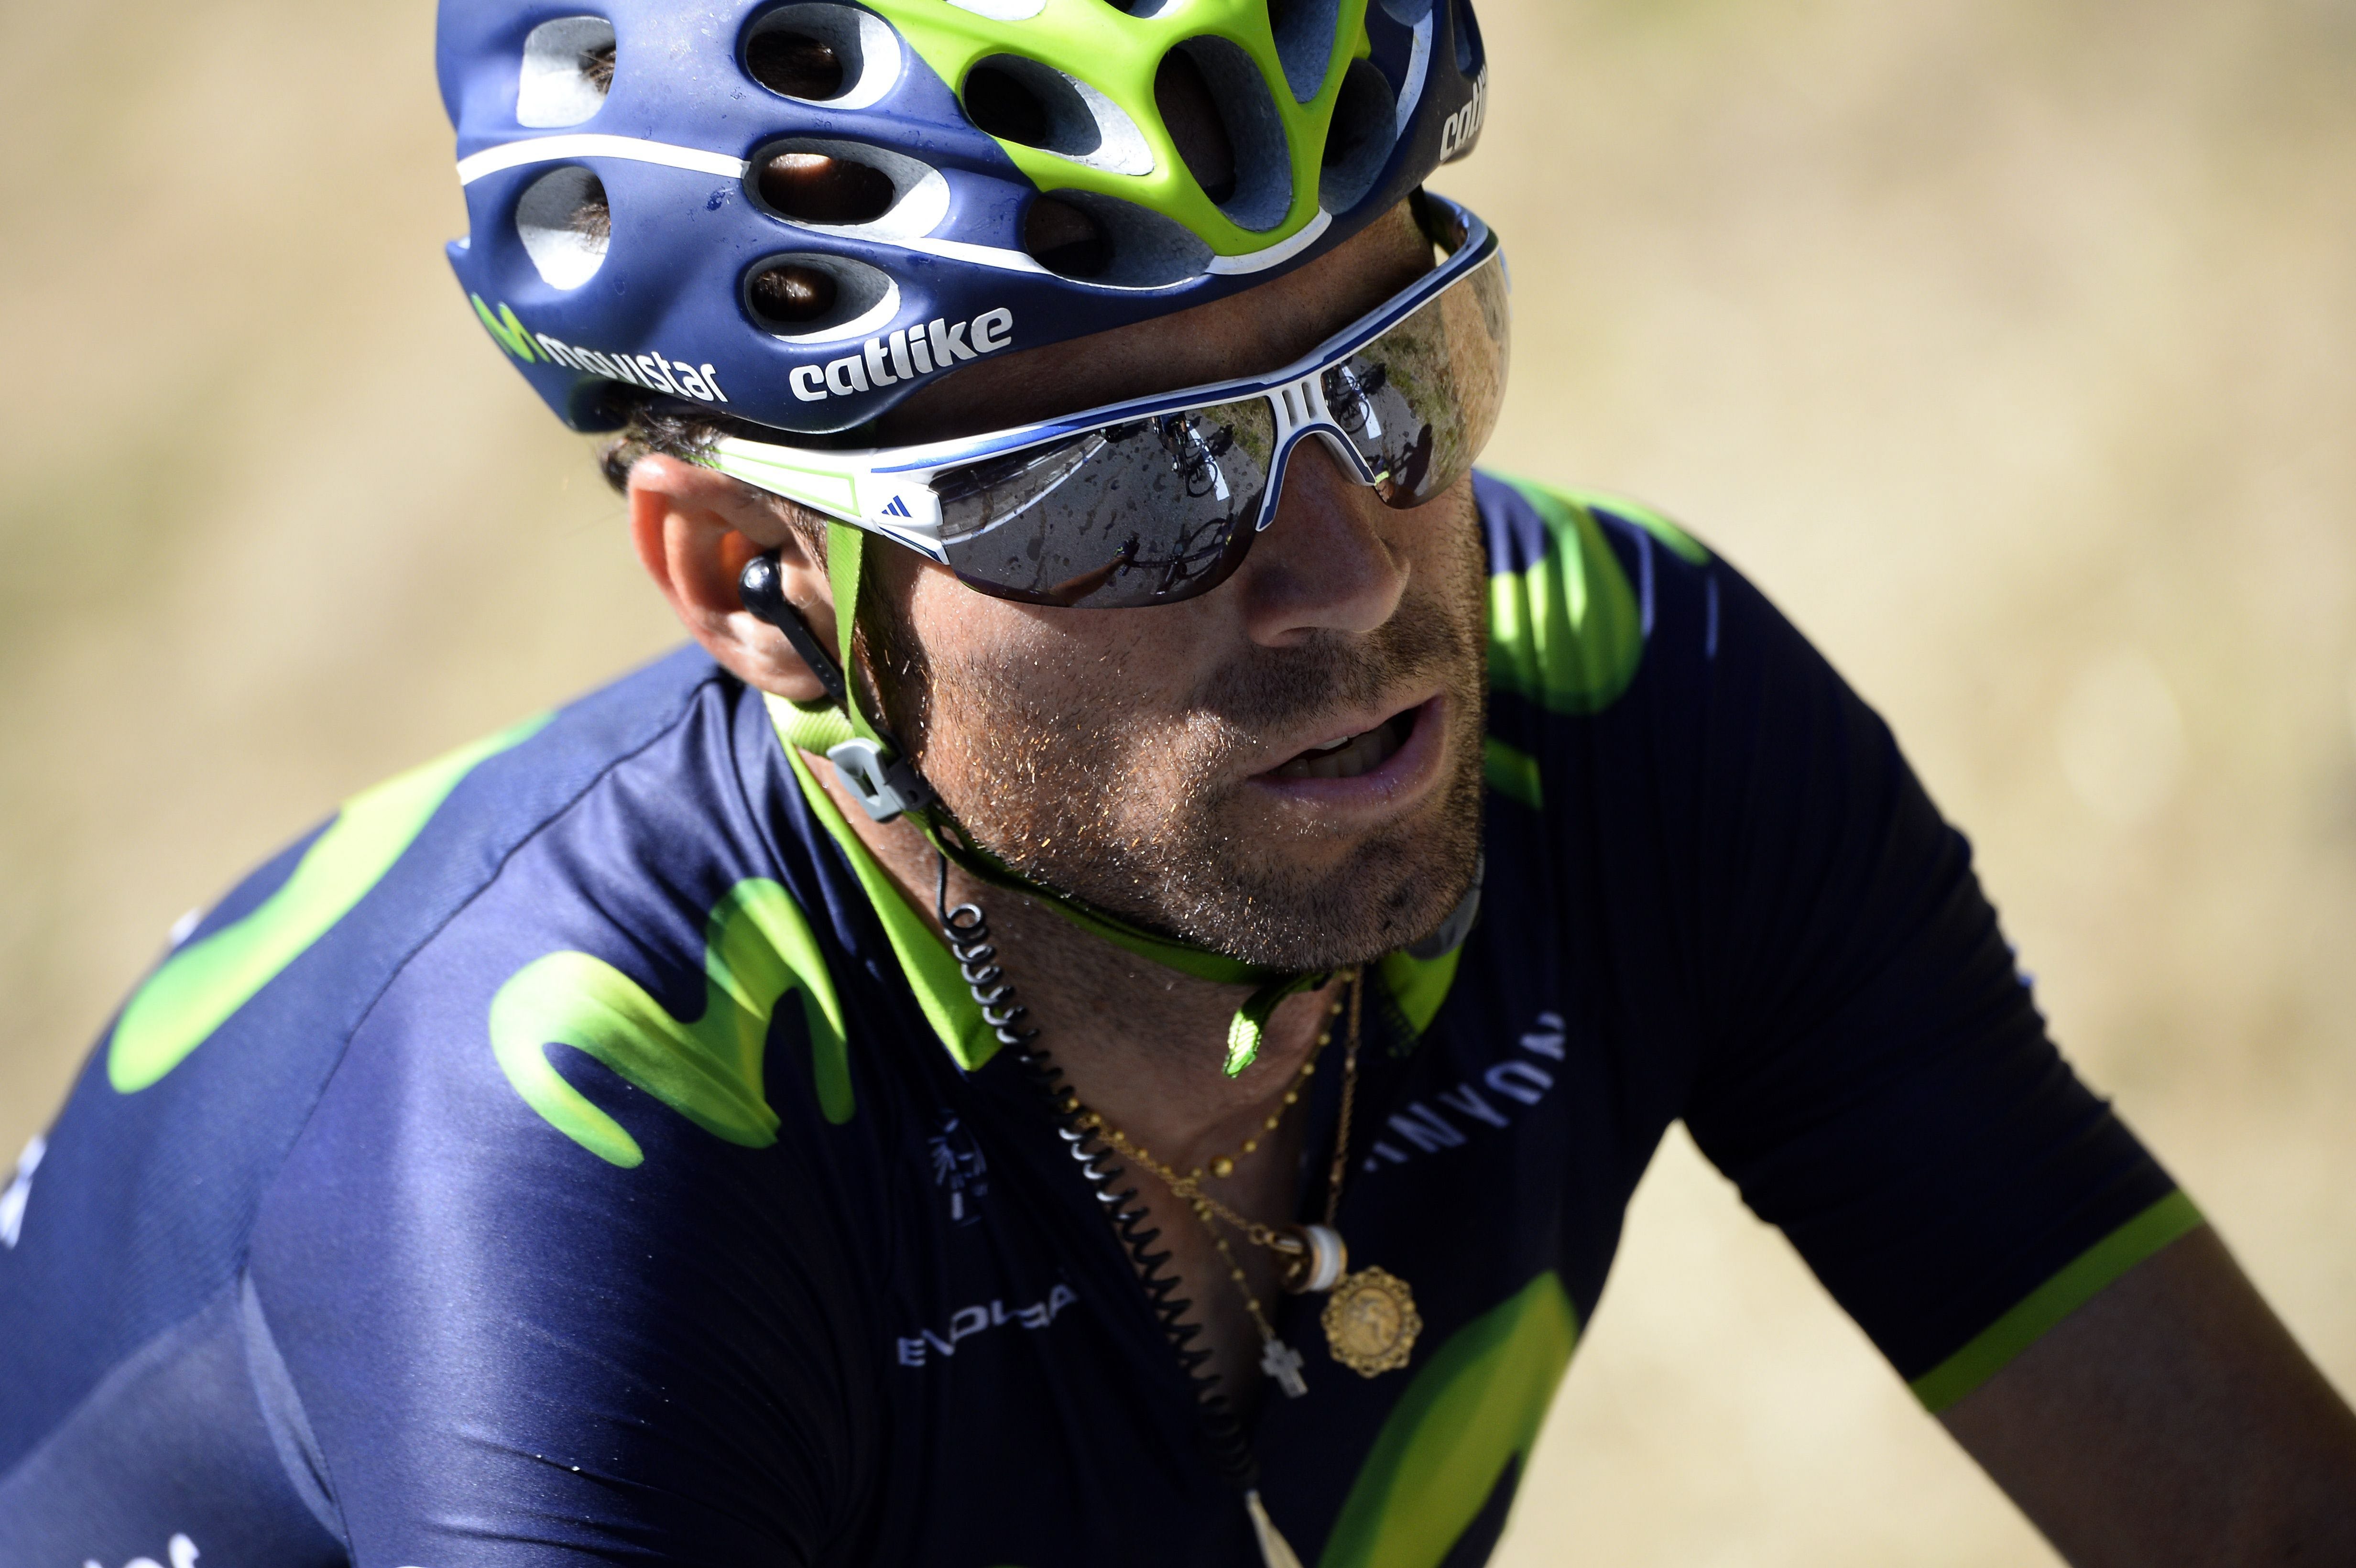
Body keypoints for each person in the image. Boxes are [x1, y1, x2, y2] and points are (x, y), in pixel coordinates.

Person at [3, 0, 2353, 1561]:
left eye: (1400, 363)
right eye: (1121, 483)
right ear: (744, 575)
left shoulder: (1617, 697)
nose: (1342, 572)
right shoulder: (566, 1164)